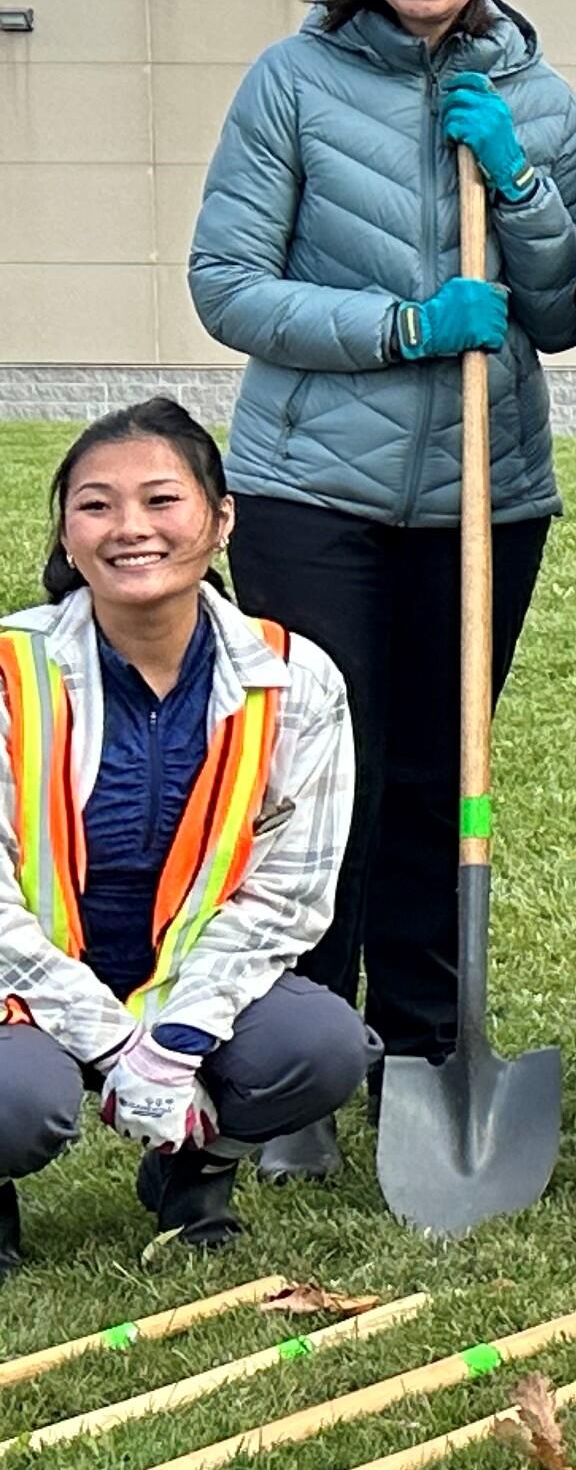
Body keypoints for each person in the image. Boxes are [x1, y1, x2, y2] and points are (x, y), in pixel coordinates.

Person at [187, 0, 576, 1174]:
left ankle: (423, 1046)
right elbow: (228, 285)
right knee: (317, 782)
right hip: (315, 489)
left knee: (437, 775)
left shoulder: (534, 96)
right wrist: (405, 326)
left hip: (491, 492)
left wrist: (522, 182)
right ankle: (302, 1050)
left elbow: (560, 303)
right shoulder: (292, 80)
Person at [0, 402, 370, 1268]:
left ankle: (193, 1172)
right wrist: (112, 1040)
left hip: (184, 976)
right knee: (16, 1099)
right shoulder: (10, 672)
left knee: (319, 1048)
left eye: (162, 500)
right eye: (96, 505)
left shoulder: (294, 680)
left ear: (220, 517)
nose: (131, 528)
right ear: (65, 530)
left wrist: (173, 1043)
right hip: (22, 982)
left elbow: (286, 900)